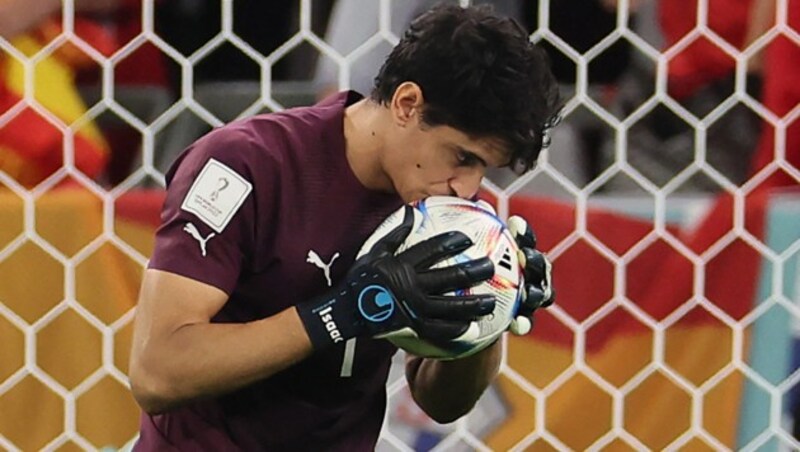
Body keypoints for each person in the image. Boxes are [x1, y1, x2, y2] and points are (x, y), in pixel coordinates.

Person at [128, 3, 561, 450]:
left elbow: (441, 402)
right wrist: (343, 312)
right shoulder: (243, 166)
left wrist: (490, 317)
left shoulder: (445, 205)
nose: (466, 187)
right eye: (463, 157)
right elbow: (157, 373)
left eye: (485, 169)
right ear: (407, 104)